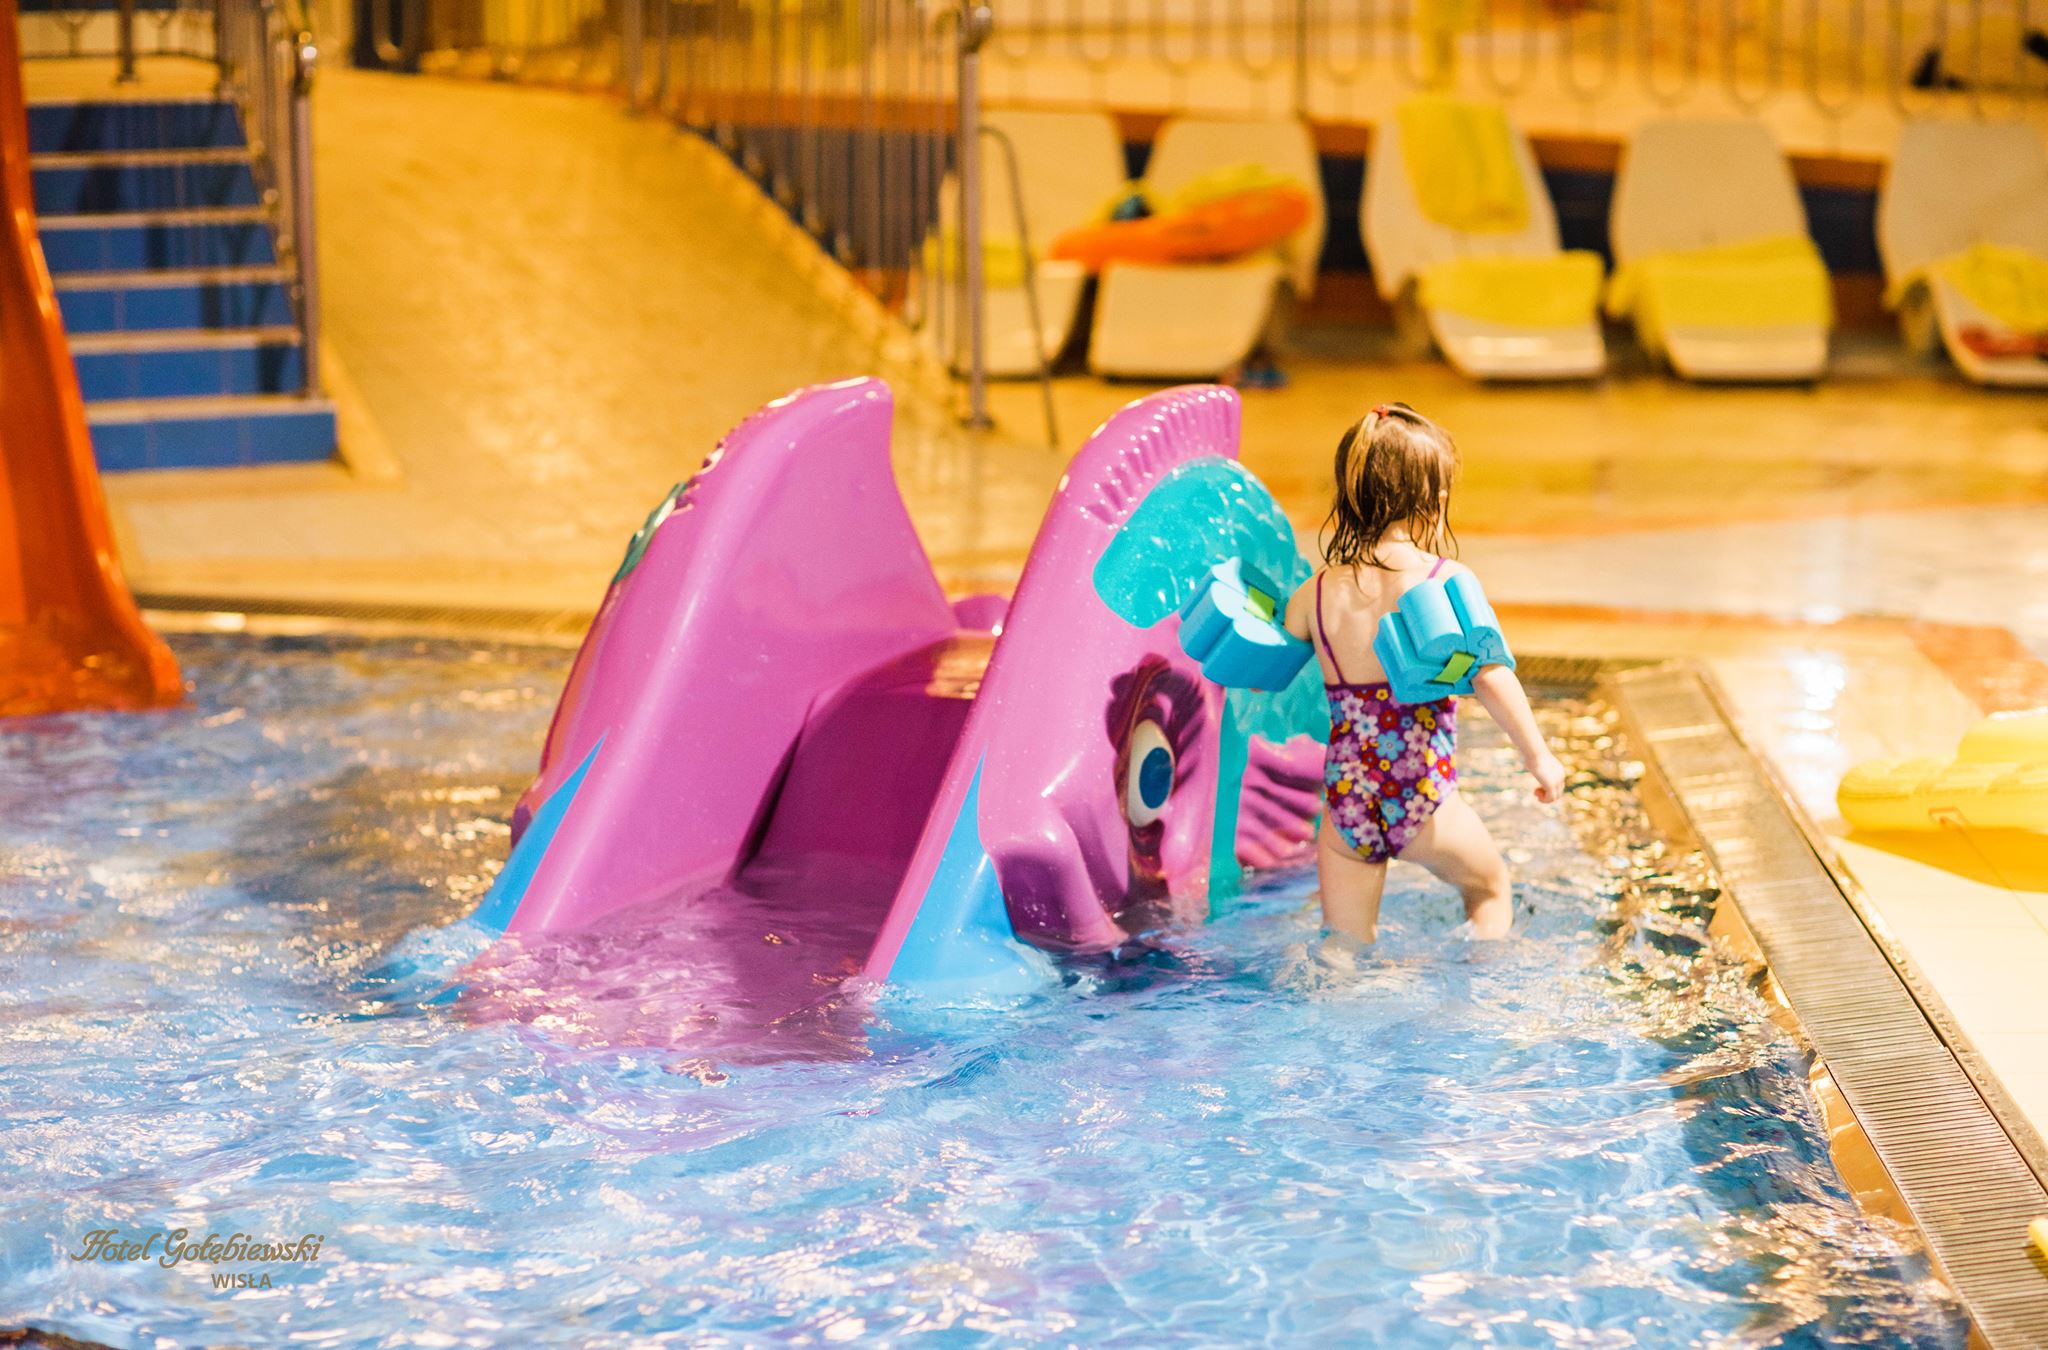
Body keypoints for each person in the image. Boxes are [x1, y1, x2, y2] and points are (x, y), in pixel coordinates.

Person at [1282, 403, 1565, 944]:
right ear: (1432, 501)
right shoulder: (1442, 579)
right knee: (1489, 891)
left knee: (1345, 947)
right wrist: (1539, 757)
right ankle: (1479, 994)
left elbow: (1265, 666)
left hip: (1348, 803)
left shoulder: (1316, 593)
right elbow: (1489, 675)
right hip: (1422, 797)